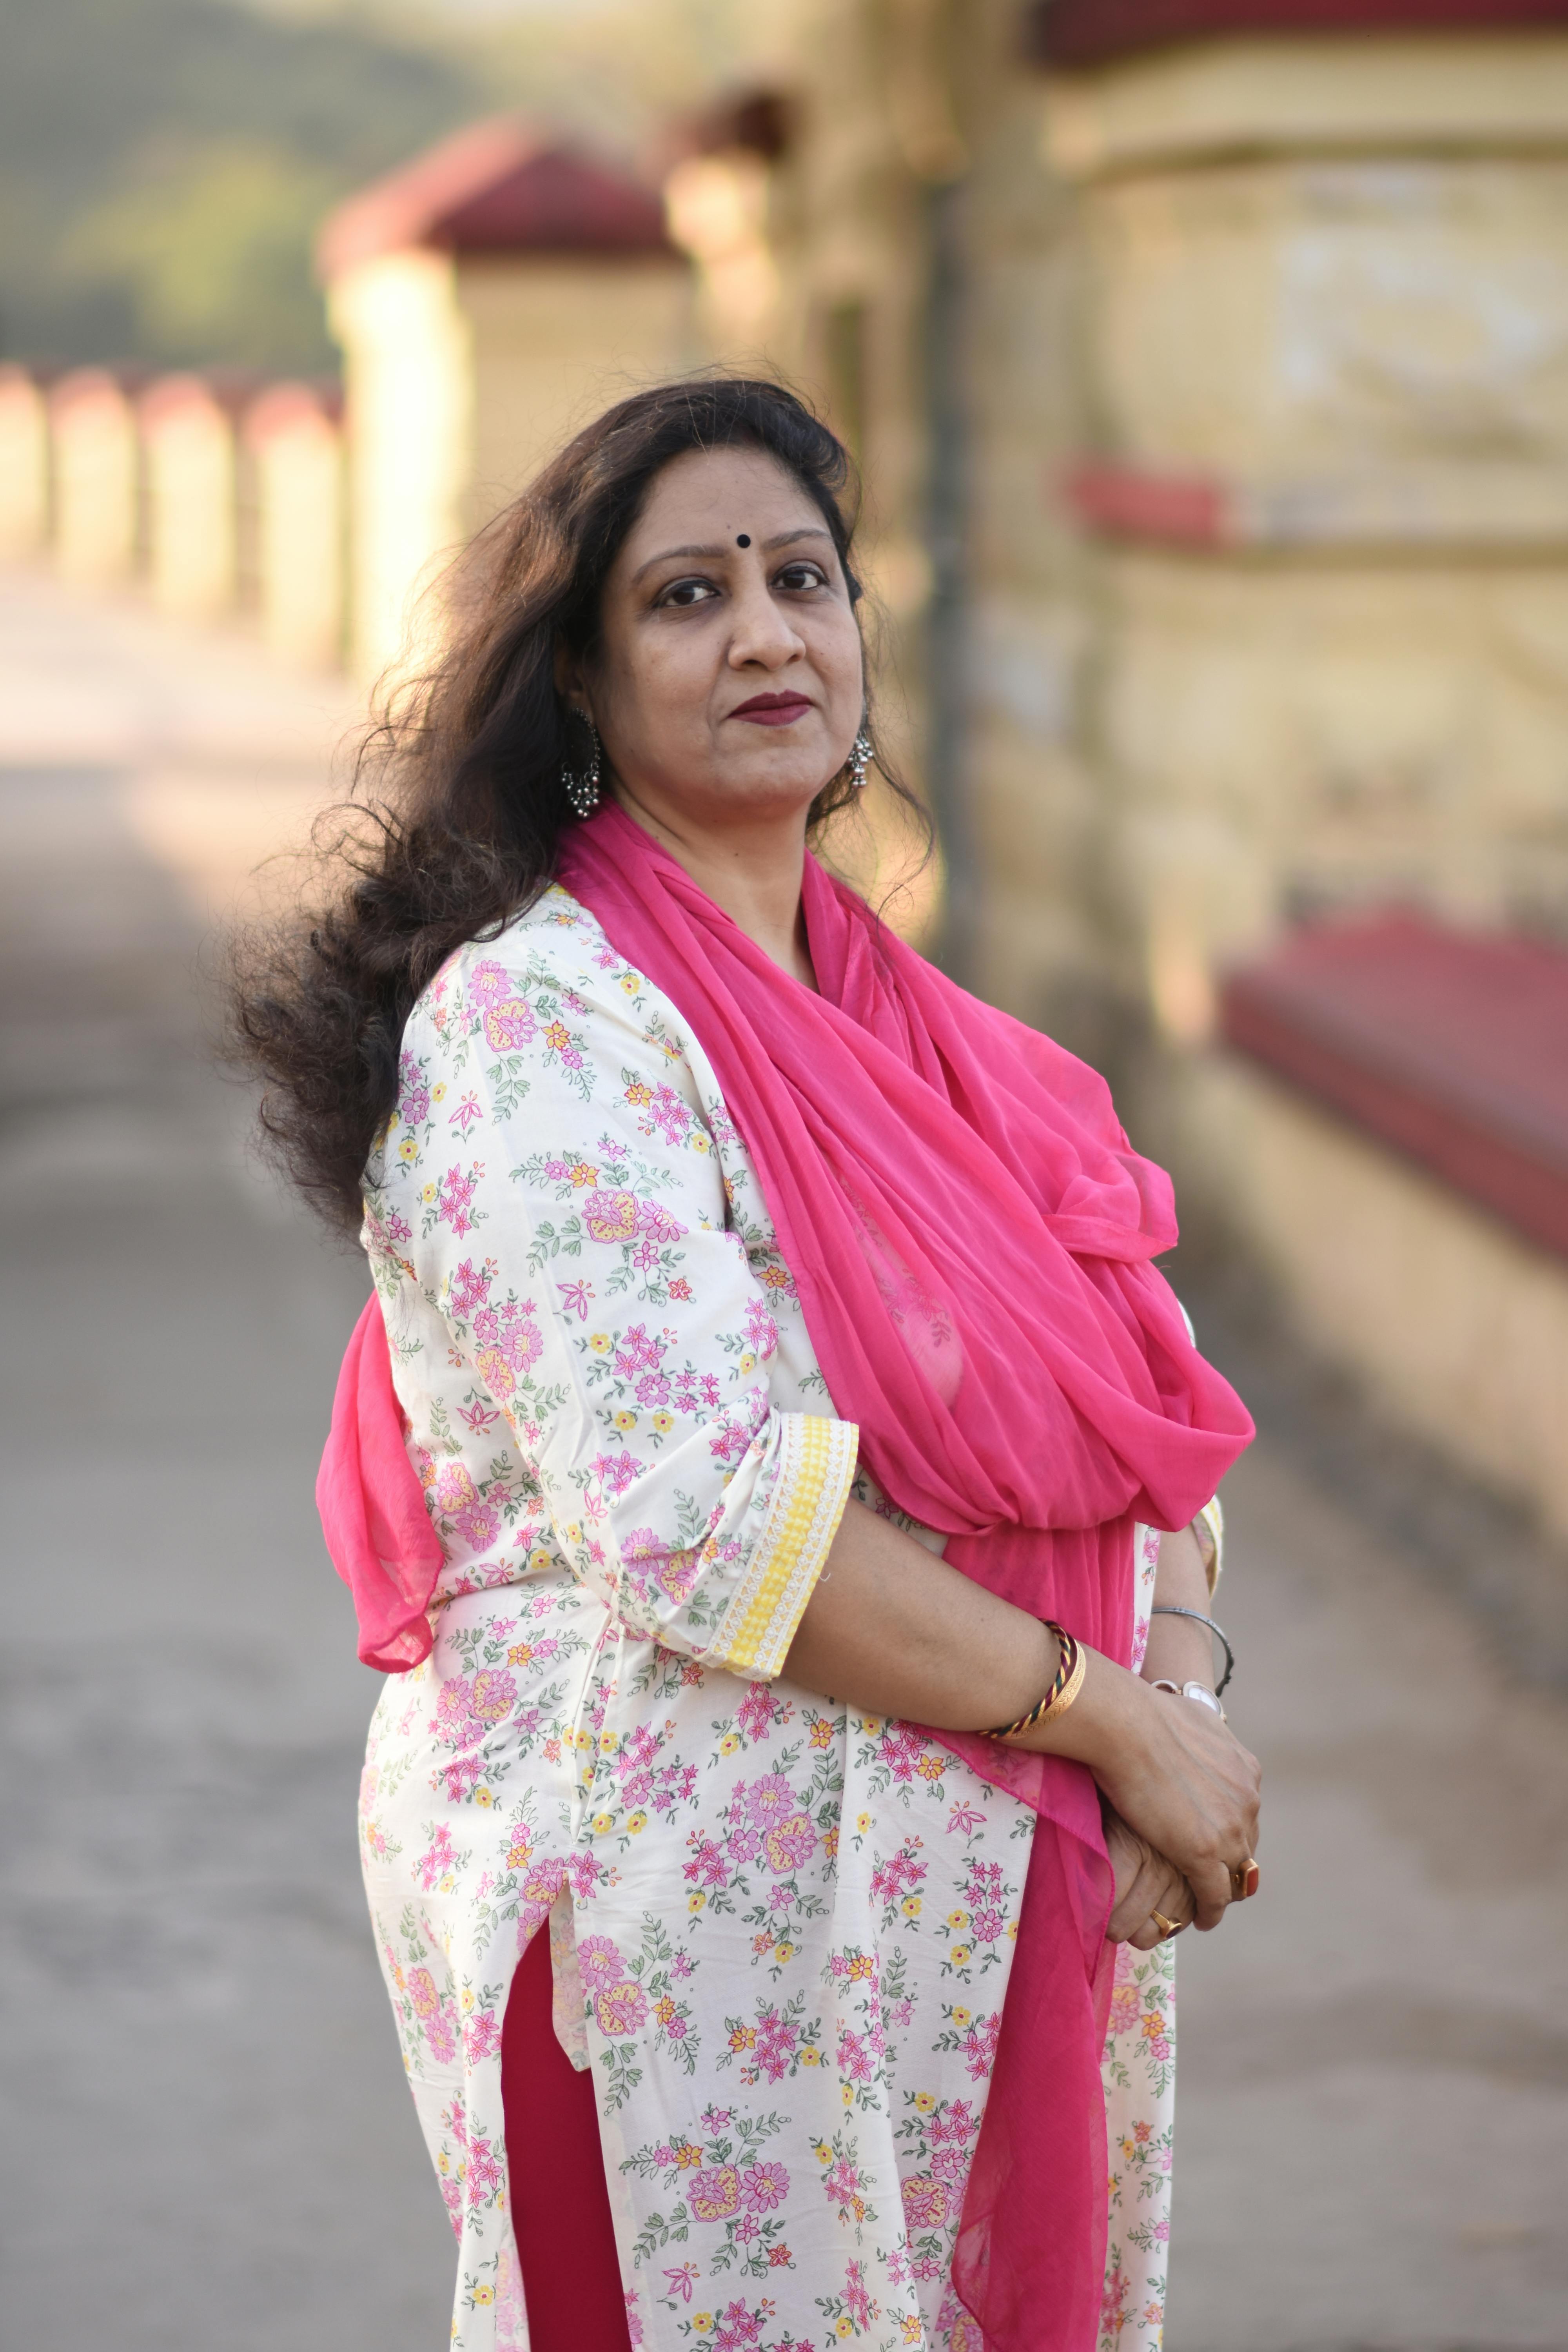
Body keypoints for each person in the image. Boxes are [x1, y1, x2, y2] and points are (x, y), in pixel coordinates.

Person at [232, 377, 1259, 2352]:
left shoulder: (934, 1041)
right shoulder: (541, 1034)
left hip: (983, 1932)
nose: (768, 632)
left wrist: (1177, 1702)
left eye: (803, 579)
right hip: (684, 1951)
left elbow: (1146, 1413)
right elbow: (705, 1520)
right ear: (586, 697)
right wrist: (1119, 1730)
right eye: (686, 599)